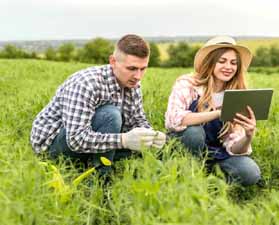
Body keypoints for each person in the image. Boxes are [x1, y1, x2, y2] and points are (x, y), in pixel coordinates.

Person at [31, 34, 166, 175]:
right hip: (53, 145)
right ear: (113, 61)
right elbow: (76, 139)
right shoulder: (86, 84)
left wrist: (152, 136)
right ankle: (101, 179)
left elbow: (136, 120)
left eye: (143, 69)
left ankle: (95, 163)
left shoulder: (133, 84)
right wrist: (123, 140)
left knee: (140, 149)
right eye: (131, 68)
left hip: (90, 140)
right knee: (110, 115)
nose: (138, 76)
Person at [165, 36, 261, 186]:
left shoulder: (235, 94)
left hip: (215, 152)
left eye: (233, 63)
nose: (228, 67)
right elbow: (173, 119)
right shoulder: (188, 84)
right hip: (184, 144)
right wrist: (217, 113)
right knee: (194, 133)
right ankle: (185, 174)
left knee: (250, 172)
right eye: (222, 61)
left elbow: (233, 146)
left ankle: (209, 181)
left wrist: (248, 136)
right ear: (210, 62)